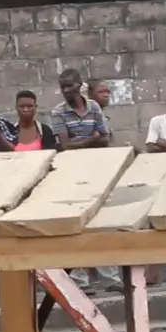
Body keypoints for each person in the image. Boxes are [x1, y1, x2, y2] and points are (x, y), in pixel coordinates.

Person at [52, 68, 115, 292]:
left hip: (96, 169)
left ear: (80, 86)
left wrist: (88, 141)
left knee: (101, 223)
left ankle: (110, 278)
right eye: (63, 87)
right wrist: (92, 139)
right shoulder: (58, 112)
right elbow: (65, 146)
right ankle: (80, 280)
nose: (67, 90)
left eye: (71, 85)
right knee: (74, 223)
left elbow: (105, 138)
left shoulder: (94, 107)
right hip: (71, 173)